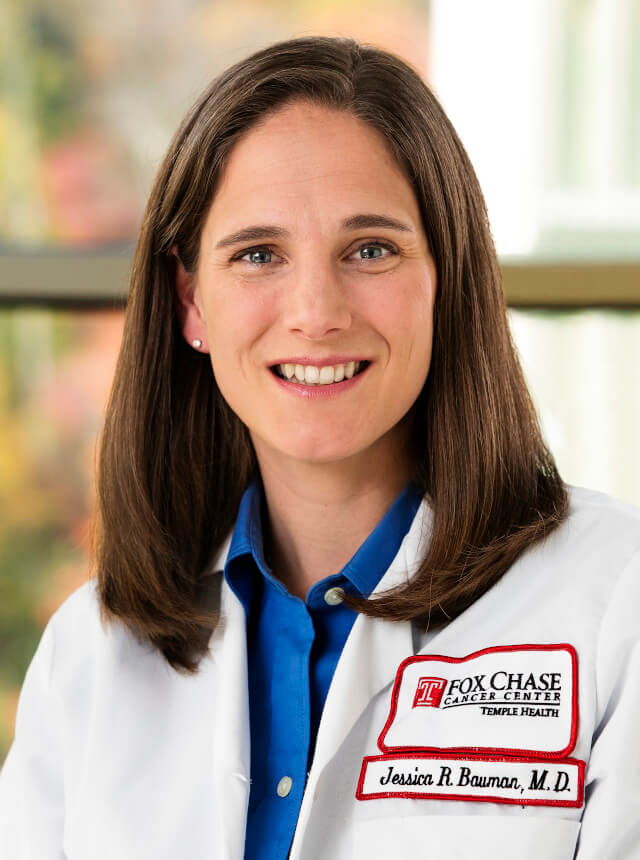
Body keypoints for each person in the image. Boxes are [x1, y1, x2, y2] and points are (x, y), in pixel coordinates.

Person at [1, 34, 639, 860]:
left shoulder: (618, 600)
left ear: (449, 278)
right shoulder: (91, 656)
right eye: (258, 254)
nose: (316, 309)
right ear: (191, 302)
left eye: (370, 249)